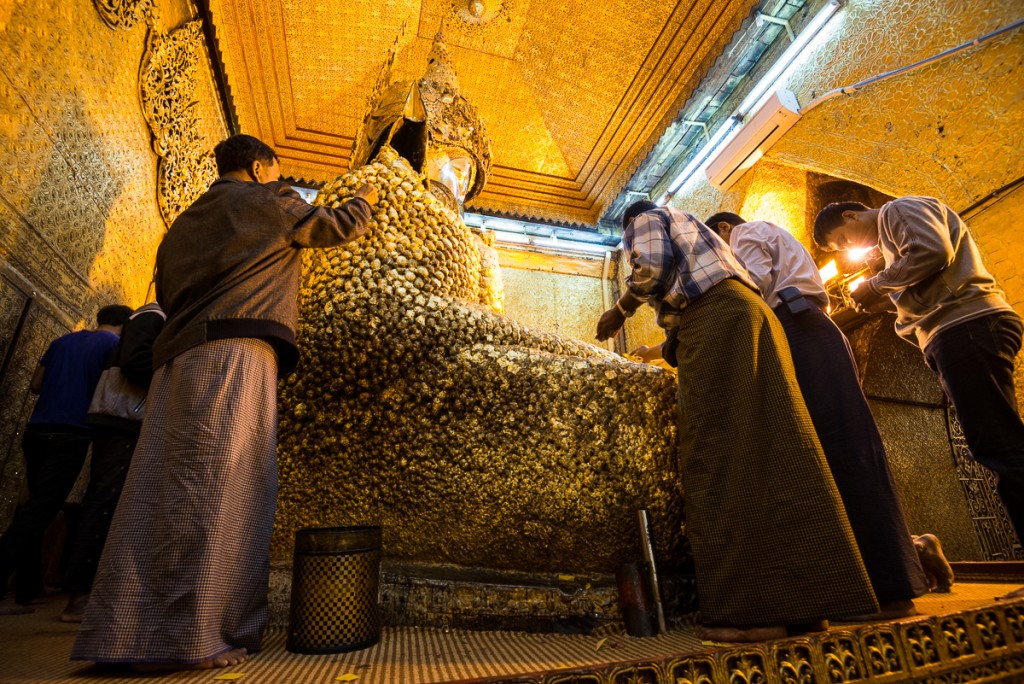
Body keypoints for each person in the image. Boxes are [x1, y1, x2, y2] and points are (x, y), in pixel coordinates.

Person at [72, 134, 379, 670]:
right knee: (222, 489)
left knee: (158, 495)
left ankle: (125, 632)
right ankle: (197, 635)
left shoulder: (181, 228)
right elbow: (335, 226)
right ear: (261, 169)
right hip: (235, 356)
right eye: (276, 170)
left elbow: (167, 297)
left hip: (176, 363)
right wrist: (367, 200)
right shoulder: (268, 200)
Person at [597, 200, 878, 642]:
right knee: (781, 445)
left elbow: (649, 268)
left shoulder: (647, 220)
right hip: (756, 317)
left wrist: (621, 308)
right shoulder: (708, 243)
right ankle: (810, 605)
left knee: (717, 451)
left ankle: (752, 613)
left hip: (718, 323)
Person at [706, 212, 930, 619]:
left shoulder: (745, 234)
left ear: (723, 229)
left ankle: (887, 589)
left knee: (838, 448)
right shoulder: (771, 234)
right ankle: (889, 576)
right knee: (840, 448)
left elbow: (751, 287)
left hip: (798, 328)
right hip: (809, 325)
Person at [813, 197, 1023, 543]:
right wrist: (886, 299)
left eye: (845, 240)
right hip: (958, 330)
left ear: (850, 215)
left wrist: (878, 283)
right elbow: (923, 281)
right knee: (998, 442)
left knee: (999, 446)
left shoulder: (898, 210)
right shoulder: (892, 241)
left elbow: (932, 252)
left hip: (964, 324)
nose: (852, 248)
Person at [0, 304, 131, 615]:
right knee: (38, 512)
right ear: (125, 326)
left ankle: (27, 588)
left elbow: (35, 384)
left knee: (35, 508)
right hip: (70, 434)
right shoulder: (114, 346)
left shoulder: (62, 341)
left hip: (37, 430)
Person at [58, 302, 166, 623]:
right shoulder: (153, 315)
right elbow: (135, 361)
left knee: (114, 502)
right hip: (122, 420)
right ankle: (79, 595)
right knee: (104, 501)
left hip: (127, 422)